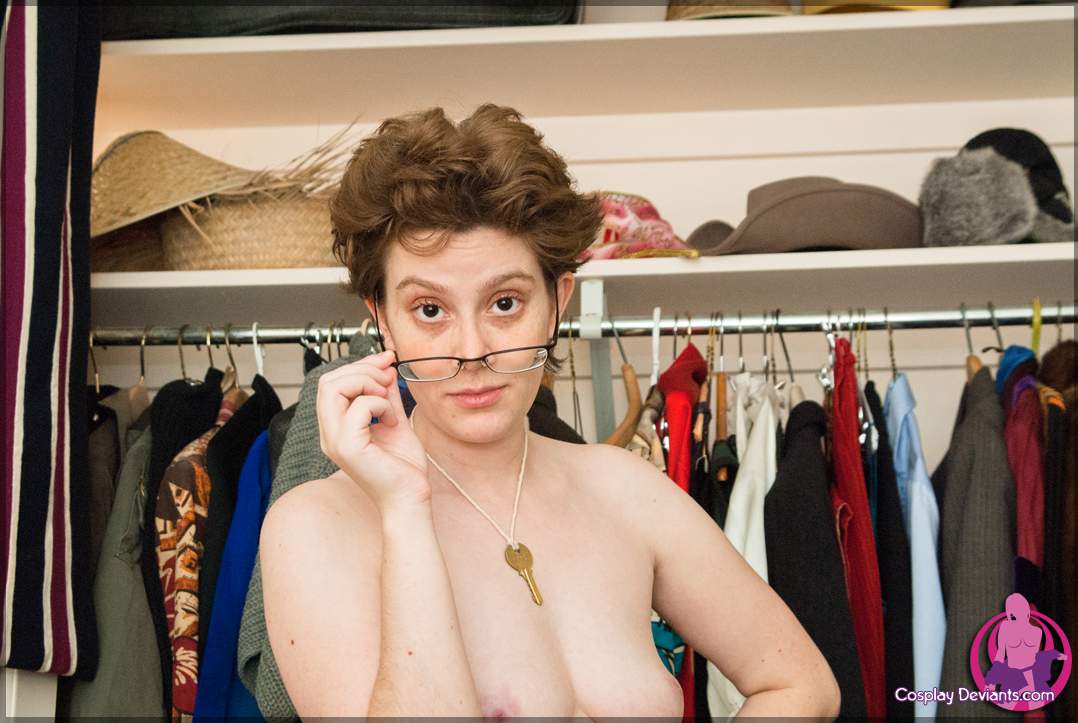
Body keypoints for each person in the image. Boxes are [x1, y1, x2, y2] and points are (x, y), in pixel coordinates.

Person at [258, 103, 841, 719]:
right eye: (430, 310)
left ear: (558, 302)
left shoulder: (628, 490)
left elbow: (801, 684)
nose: (473, 350)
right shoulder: (316, 526)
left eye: (505, 302)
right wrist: (405, 511)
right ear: (382, 320)